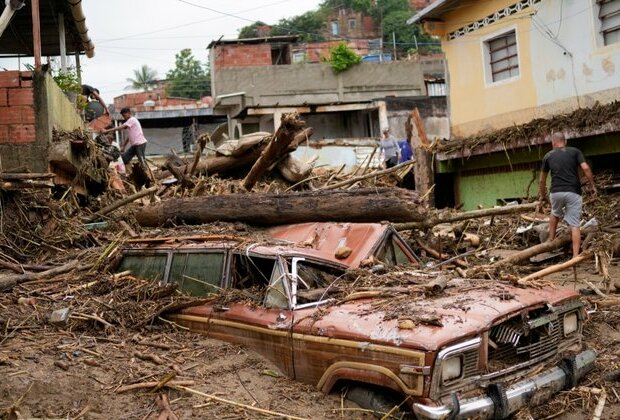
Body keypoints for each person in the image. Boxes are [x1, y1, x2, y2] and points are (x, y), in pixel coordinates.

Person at [538, 132, 597, 258]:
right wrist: (592, 185)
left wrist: (543, 195)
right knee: (575, 224)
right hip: (574, 192)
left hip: (556, 192)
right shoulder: (575, 151)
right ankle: (575, 256)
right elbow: (585, 168)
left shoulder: (548, 155)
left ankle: (551, 239)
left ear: (553, 143)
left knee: (554, 213)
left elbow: (542, 180)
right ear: (565, 141)